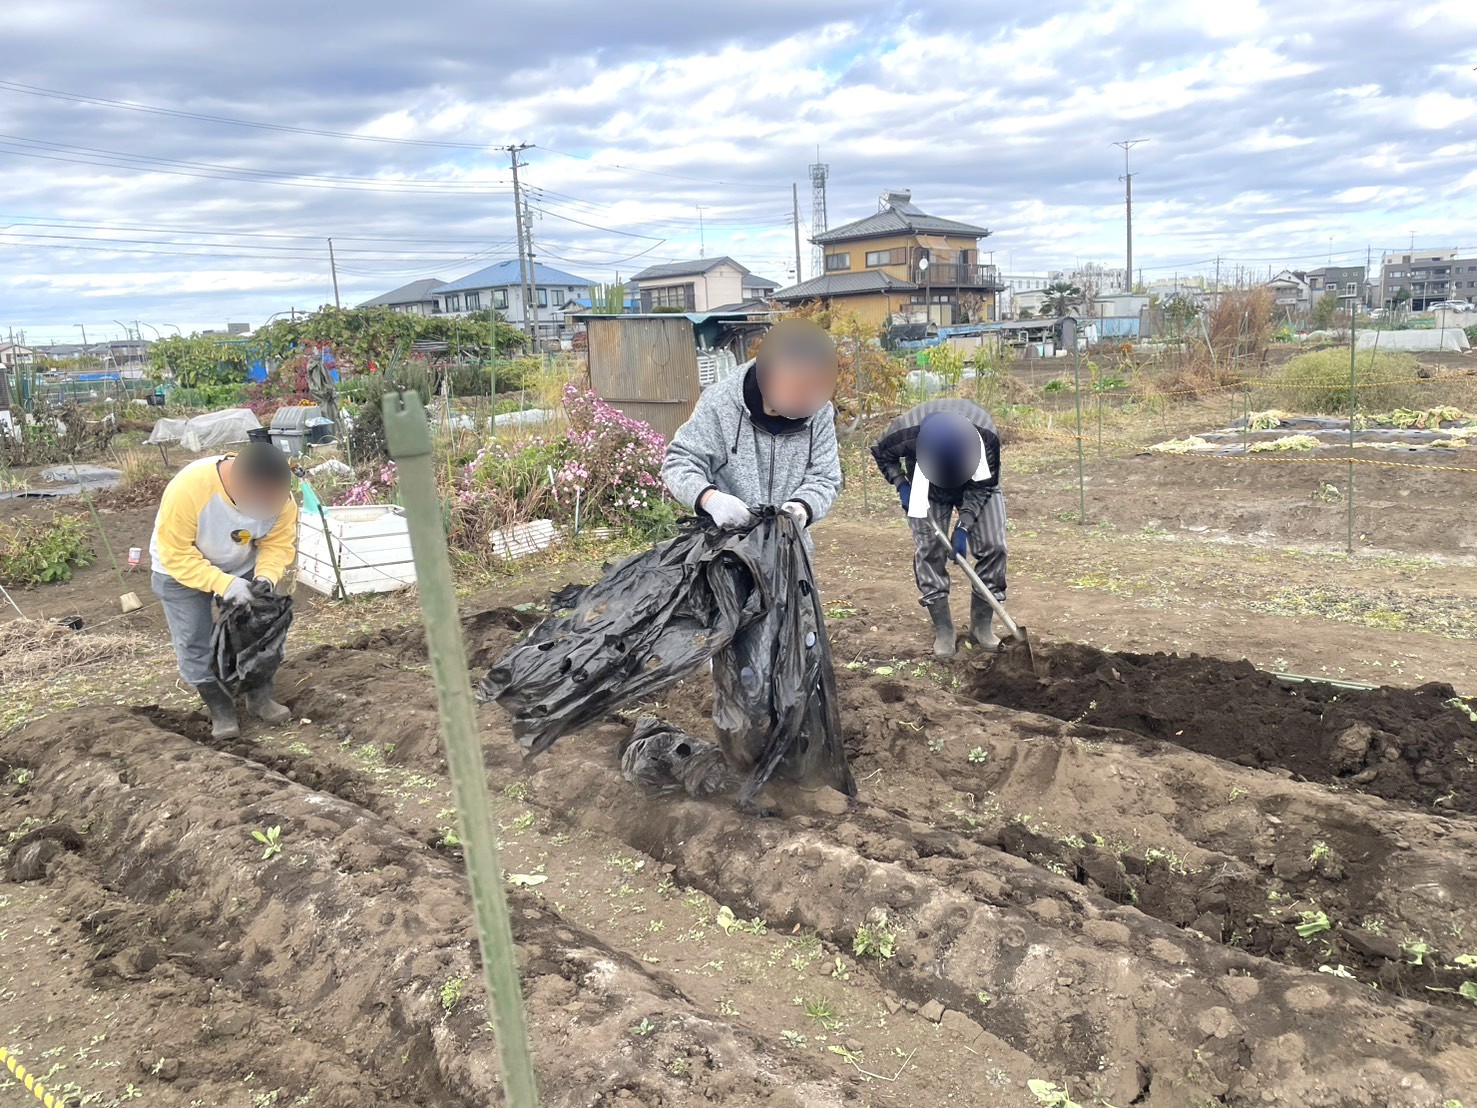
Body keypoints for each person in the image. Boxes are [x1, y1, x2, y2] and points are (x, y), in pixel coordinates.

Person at [150, 442, 299, 738]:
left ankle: (258, 698)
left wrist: (266, 578)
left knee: (257, 631)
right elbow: (176, 553)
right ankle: (220, 707)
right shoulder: (190, 488)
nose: (268, 505)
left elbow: (277, 543)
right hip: (179, 568)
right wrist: (223, 583)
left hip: (240, 563)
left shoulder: (281, 498)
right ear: (237, 483)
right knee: (195, 639)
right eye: (260, 499)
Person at [663, 317, 842, 537]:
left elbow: (824, 477)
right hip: (722, 545)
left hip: (786, 544)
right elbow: (679, 462)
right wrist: (710, 499)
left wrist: (802, 507)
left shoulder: (819, 411)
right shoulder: (720, 402)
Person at [871, 399, 1005, 659]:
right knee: (930, 549)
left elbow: (984, 486)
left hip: (976, 482)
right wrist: (901, 483)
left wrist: (964, 525)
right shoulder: (904, 433)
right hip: (927, 485)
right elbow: (881, 452)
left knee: (994, 545)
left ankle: (982, 626)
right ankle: (944, 628)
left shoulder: (986, 437)